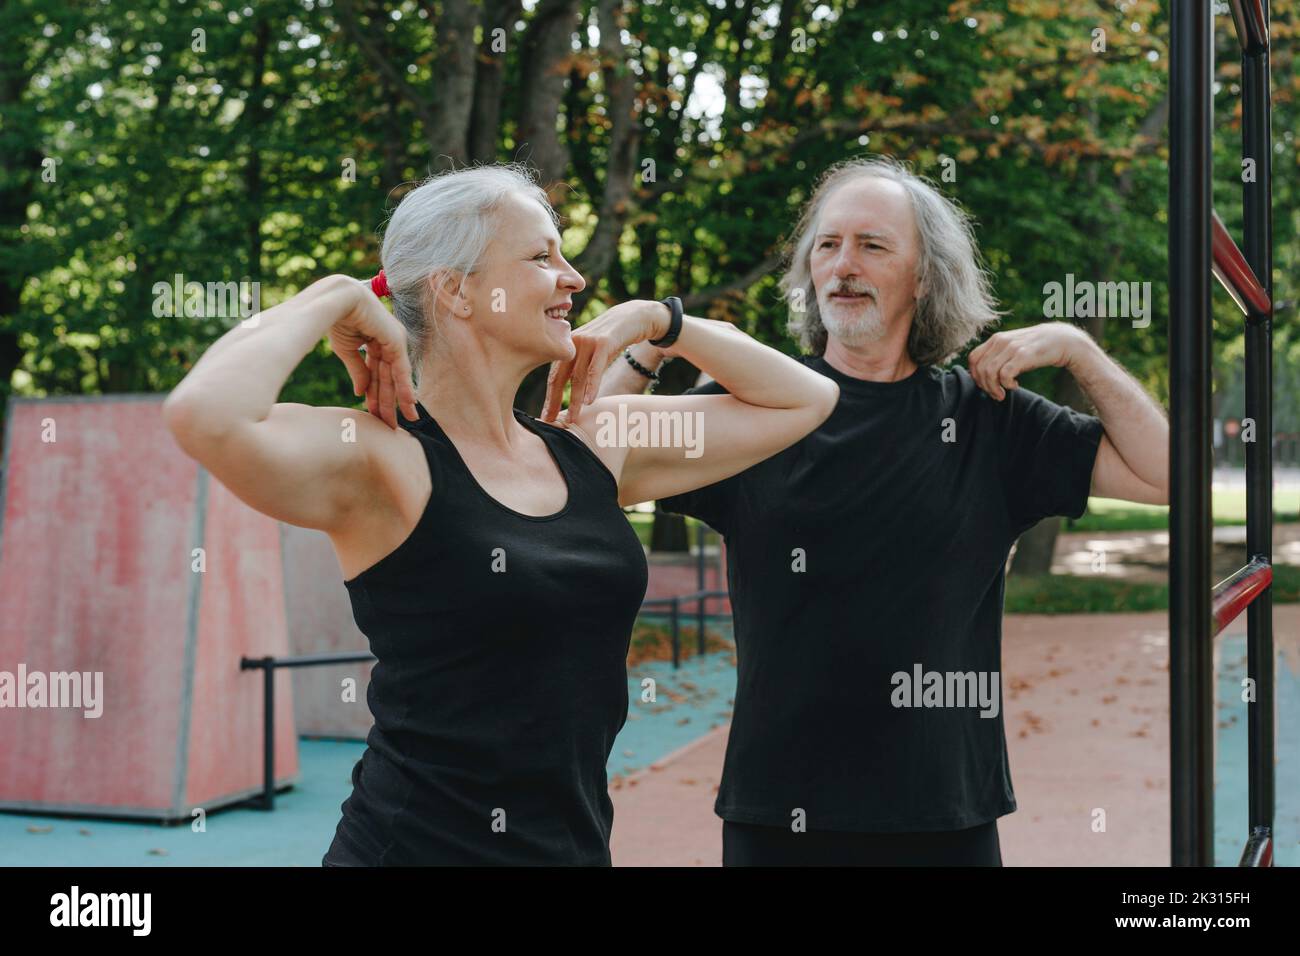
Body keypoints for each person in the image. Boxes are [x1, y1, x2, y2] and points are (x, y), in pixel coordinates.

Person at [161, 163, 837, 866]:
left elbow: (804, 402)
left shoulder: (597, 444)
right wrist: (334, 298)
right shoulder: (382, 459)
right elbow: (203, 414)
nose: (573, 278)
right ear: (456, 289)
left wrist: (661, 321)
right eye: (542, 256)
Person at [596, 155, 1170, 866]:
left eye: (872, 245)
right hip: (781, 813)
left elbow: (1168, 475)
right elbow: (597, 463)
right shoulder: (752, 410)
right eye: (827, 245)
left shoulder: (990, 420)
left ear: (925, 279)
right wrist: (653, 347)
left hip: (943, 818)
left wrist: (1080, 351)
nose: (843, 266)